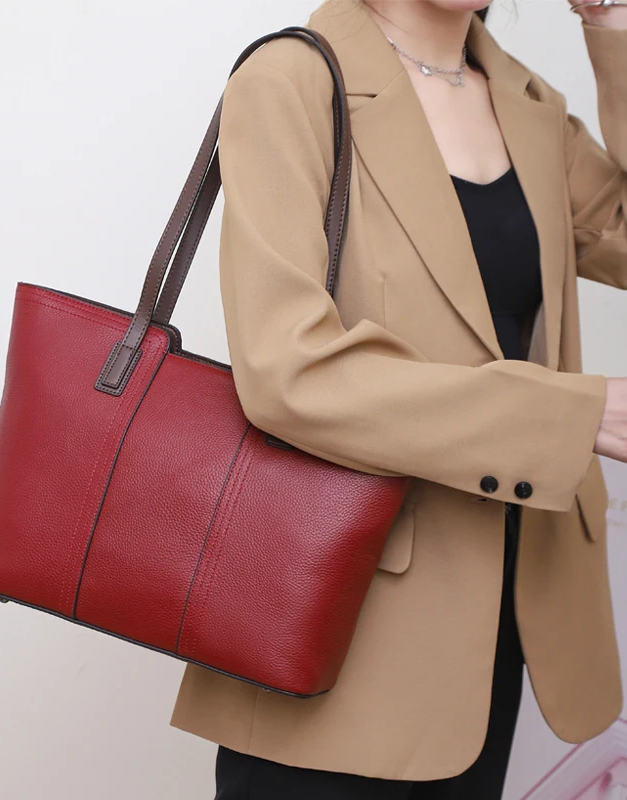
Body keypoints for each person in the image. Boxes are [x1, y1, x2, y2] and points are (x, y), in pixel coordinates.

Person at [168, 0, 627, 796]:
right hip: (336, 616)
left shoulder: (531, 105)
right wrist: (571, 414)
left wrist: (612, 24)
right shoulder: (293, 79)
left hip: (503, 616)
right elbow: (289, 372)